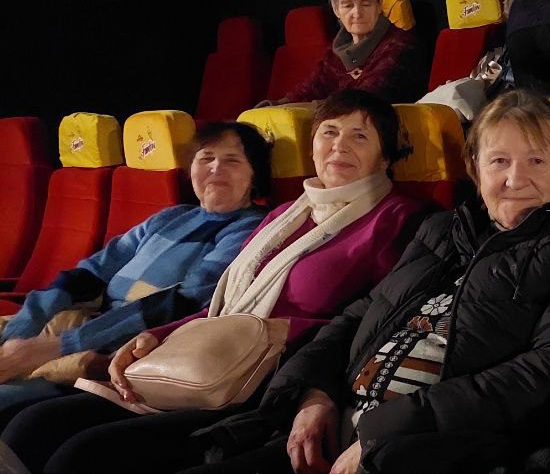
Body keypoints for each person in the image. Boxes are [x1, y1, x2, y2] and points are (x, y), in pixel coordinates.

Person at [176, 89, 550, 474]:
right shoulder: (444, 229)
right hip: (340, 419)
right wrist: (314, 394)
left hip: (432, 444)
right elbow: (360, 313)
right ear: (475, 166)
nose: (515, 179)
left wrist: (384, 428)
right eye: (499, 161)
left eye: (537, 161)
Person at [2, 90, 425, 474]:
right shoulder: (286, 214)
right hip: (207, 354)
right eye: (329, 132)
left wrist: (294, 351)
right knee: (32, 427)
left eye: (359, 136)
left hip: (269, 377)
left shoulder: (397, 219)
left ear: (384, 158)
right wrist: (154, 336)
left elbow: (372, 322)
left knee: (79, 455)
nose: (339, 145)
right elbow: (221, 307)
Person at [0, 122, 271, 423]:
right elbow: (90, 273)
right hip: (85, 325)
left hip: (126, 350)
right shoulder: (171, 217)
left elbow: (184, 302)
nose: (216, 168)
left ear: (254, 176)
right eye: (206, 158)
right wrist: (23, 328)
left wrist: (59, 346)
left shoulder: (249, 228)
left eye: (232, 160)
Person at [266, 0, 426, 106]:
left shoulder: (400, 45)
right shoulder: (335, 53)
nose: (357, 13)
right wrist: (277, 106)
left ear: (379, 6)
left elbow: (366, 98)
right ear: (336, 10)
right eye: (348, 5)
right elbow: (312, 88)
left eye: (366, 4)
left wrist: (312, 108)